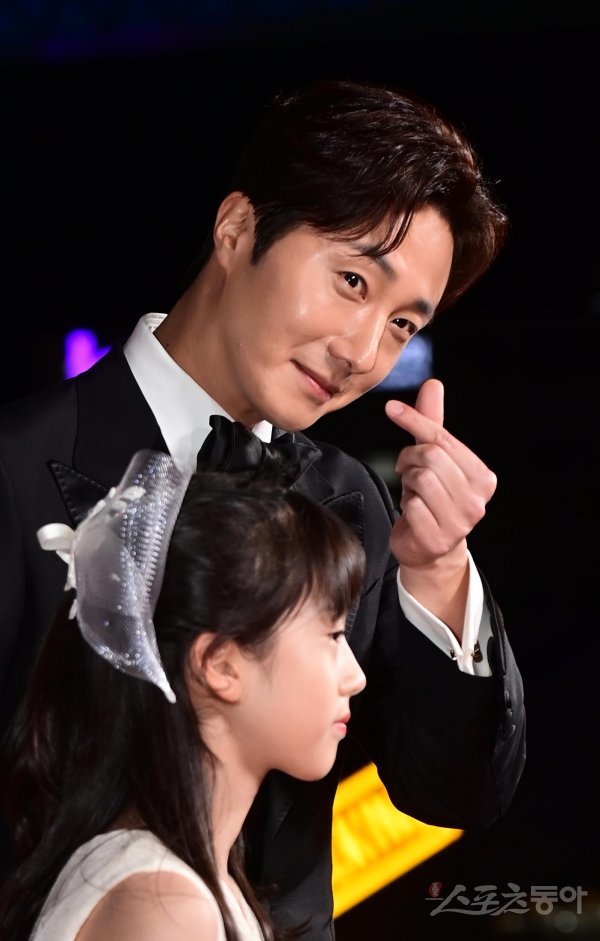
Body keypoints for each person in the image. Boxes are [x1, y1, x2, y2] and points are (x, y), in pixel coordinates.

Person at [0, 78, 526, 937]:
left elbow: (455, 790)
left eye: (403, 324)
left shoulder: (350, 502)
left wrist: (438, 570)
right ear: (238, 228)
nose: (362, 352)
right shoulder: (16, 471)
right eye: (352, 280)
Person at [0, 448, 368, 940]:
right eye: (333, 635)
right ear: (219, 664)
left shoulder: (178, 883)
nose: (355, 676)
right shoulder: (166, 906)